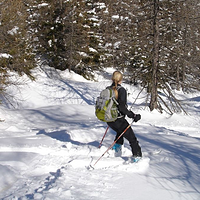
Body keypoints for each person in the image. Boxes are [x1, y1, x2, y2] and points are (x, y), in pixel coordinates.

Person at [107, 71, 142, 161]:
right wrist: (133, 116)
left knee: (120, 131)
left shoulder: (108, 89)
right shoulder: (121, 90)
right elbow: (122, 107)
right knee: (132, 139)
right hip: (117, 119)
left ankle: (117, 149)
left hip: (109, 119)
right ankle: (137, 157)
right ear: (121, 79)